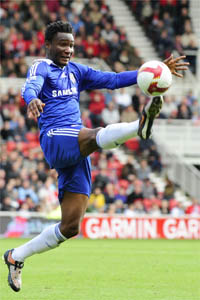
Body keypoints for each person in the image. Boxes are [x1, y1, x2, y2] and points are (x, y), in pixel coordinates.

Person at [3, 21, 189, 292]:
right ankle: (139, 127)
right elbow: (31, 87)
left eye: (71, 44)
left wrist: (151, 71)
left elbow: (112, 81)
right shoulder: (41, 66)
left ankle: (15, 256)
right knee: (94, 134)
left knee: (70, 226)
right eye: (63, 44)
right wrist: (31, 99)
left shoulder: (77, 71)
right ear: (48, 45)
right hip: (56, 137)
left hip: (77, 148)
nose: (68, 49)